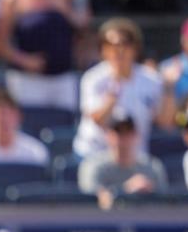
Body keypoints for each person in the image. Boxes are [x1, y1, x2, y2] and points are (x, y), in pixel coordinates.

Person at [0, 0, 85, 111]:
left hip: (62, 77)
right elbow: (0, 43)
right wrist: (25, 60)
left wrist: (65, 7)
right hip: (27, 81)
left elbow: (80, 26)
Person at [73, 17, 175, 159]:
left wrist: (168, 88)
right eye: (111, 45)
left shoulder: (151, 79)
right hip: (93, 156)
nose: (119, 50)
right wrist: (114, 90)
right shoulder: (93, 78)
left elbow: (166, 123)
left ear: (135, 48)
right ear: (103, 49)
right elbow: (99, 121)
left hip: (135, 158)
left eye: (125, 43)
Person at [78, 108, 167, 210]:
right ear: (108, 136)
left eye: (128, 132)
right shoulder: (93, 166)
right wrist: (125, 190)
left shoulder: (153, 167)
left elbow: (164, 207)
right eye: (119, 132)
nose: (124, 139)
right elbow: (92, 206)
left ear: (137, 135)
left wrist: (151, 192)